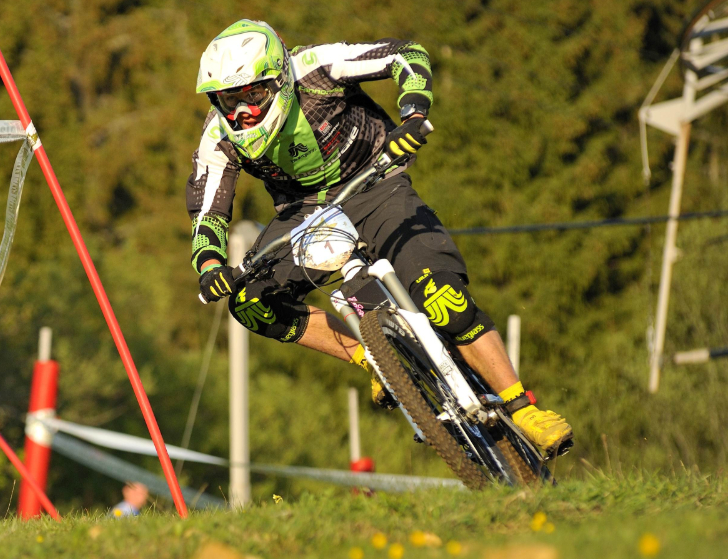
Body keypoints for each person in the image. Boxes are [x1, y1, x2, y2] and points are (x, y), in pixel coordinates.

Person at [188, 20, 572, 453]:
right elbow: (208, 211)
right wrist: (211, 266)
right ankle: (375, 358)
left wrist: (413, 115)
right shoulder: (218, 136)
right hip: (304, 215)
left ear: (279, 78)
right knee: (250, 303)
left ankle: (522, 407)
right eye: (227, 101)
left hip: (377, 184)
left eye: (252, 97)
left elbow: (407, 55)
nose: (240, 114)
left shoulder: (315, 68)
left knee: (442, 297)